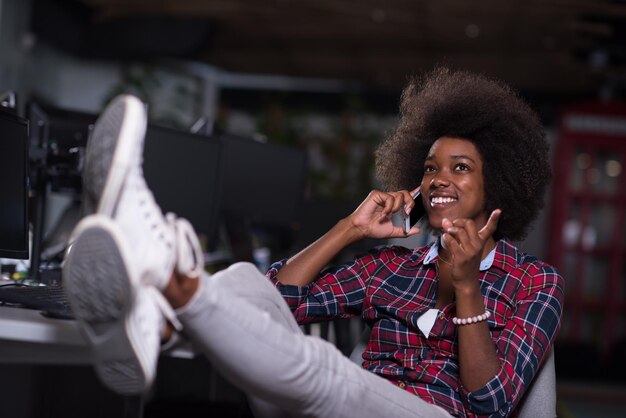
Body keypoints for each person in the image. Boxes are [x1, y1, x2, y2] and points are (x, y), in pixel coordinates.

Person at [63, 67, 564, 418]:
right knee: (243, 280)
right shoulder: (390, 265)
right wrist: (351, 228)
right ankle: (159, 316)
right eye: (430, 167)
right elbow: (276, 300)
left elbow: (492, 404)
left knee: (331, 372)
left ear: (496, 184)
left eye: (460, 168)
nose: (437, 179)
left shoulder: (535, 282)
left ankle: (165, 282)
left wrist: (469, 288)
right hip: (332, 407)